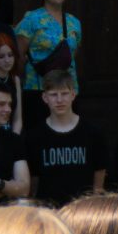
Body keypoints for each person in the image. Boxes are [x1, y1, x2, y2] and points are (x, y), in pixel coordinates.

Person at [27, 72, 109, 207]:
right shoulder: (34, 137)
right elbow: (33, 182)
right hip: (48, 211)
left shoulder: (93, 133)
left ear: (73, 94)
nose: (59, 100)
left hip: (83, 211)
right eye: (54, 94)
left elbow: (99, 180)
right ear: (45, 97)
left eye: (64, 93)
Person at [16, 0, 81, 98]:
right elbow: (18, 55)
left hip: (68, 90)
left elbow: (74, 53)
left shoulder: (74, 22)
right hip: (37, 88)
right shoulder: (31, 20)